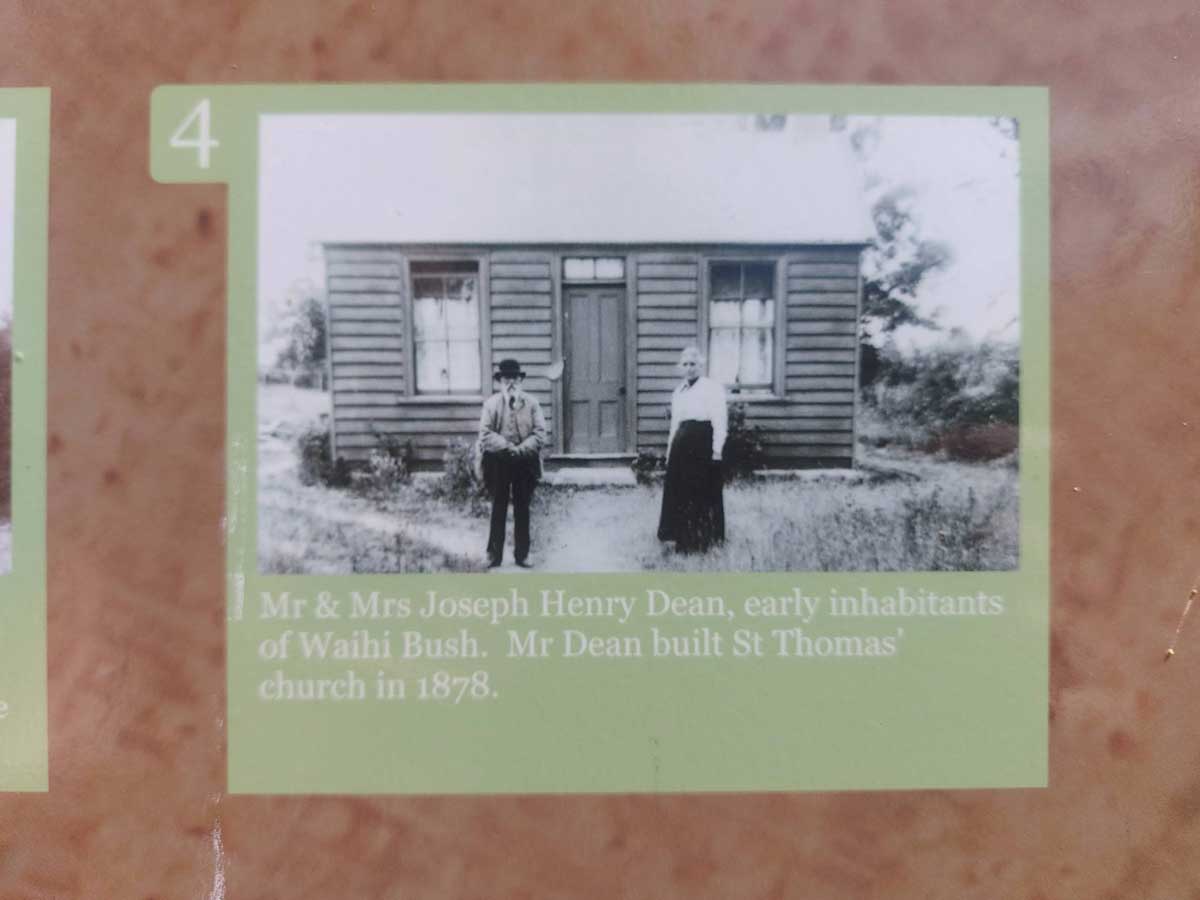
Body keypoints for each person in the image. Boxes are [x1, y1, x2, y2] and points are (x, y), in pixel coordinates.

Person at [477, 358, 547, 568]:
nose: (511, 383)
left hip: (524, 461)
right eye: (506, 379)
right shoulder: (491, 405)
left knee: (522, 507)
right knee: (498, 506)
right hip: (498, 460)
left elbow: (540, 434)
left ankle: (522, 555)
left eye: (514, 379)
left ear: (520, 381)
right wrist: (507, 446)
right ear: (500, 382)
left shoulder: (532, 404)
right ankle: (493, 555)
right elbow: (485, 434)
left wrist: (521, 449)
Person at [657, 346, 728, 553]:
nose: (689, 368)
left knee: (701, 491)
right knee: (681, 492)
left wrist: (717, 450)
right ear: (681, 367)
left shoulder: (712, 388)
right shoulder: (678, 391)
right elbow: (675, 425)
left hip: (701, 444)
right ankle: (682, 538)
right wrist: (670, 452)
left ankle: (703, 539)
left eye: (693, 364)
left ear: (701, 365)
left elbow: (720, 421)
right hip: (681, 446)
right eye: (686, 364)